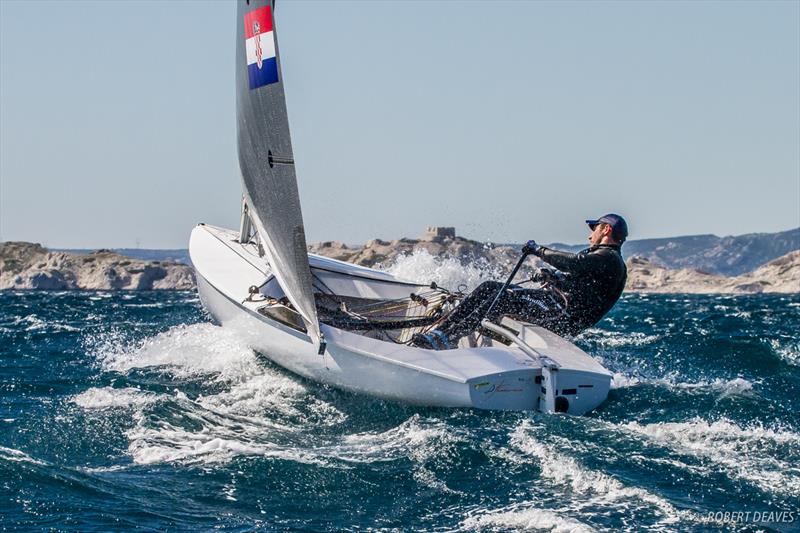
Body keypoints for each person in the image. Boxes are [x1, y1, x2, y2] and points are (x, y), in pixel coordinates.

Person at [412, 214, 628, 349]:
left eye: (595, 229)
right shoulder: (604, 259)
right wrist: (554, 278)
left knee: (503, 296)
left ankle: (450, 337)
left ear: (606, 230)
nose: (591, 235)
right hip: (557, 307)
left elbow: (573, 263)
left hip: (562, 315)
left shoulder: (609, 258)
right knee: (490, 287)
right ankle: (442, 331)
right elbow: (580, 284)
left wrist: (538, 250)